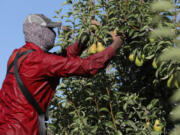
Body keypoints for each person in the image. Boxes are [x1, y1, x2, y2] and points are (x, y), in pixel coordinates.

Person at [0, 14, 124, 135]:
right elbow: (86, 66)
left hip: (8, 126)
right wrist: (115, 45)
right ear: (40, 32)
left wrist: (82, 42)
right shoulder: (38, 60)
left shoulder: (17, 55)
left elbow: (58, 61)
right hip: (23, 129)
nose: (53, 33)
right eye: (50, 29)